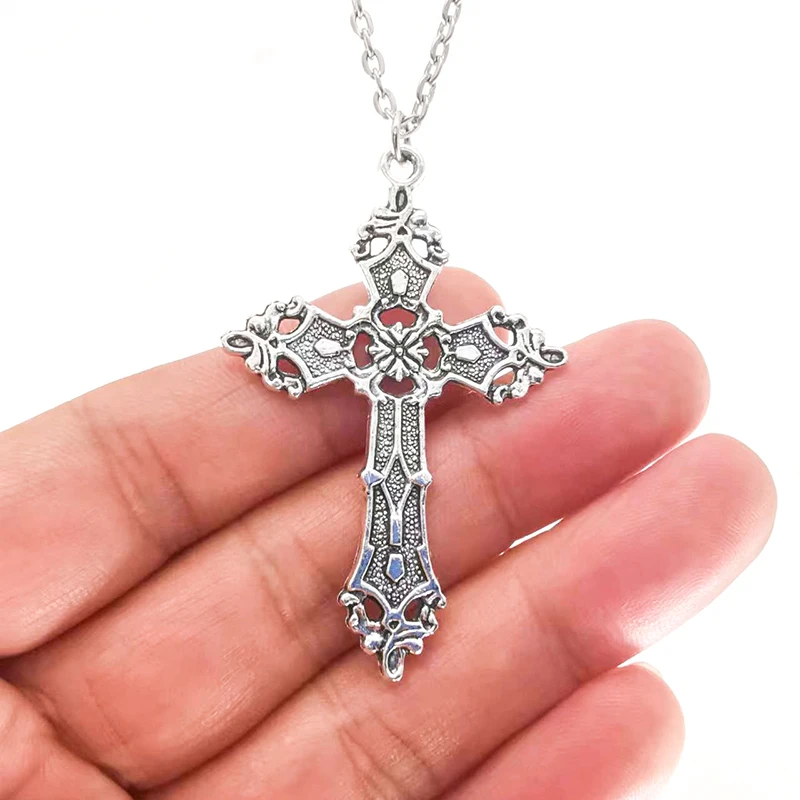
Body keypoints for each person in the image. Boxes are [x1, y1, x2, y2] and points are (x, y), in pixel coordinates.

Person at [0, 269, 776, 798]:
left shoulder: (425, 344)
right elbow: (280, 344)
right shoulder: (370, 342)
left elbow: (514, 354)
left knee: (402, 485)